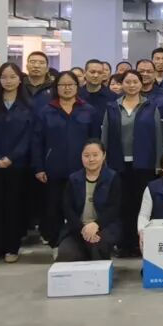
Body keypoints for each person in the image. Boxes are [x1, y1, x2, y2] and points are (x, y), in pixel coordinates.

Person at [33, 71, 102, 251]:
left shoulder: (88, 110)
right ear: (56, 87)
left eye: (70, 84)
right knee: (54, 207)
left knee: (80, 208)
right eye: (62, 85)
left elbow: (96, 140)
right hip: (53, 169)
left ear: (77, 87)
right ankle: (55, 244)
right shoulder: (46, 111)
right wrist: (39, 167)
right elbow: (37, 141)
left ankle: (81, 243)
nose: (67, 88)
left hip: (83, 169)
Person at [102, 69, 163, 257]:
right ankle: (124, 244)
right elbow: (104, 136)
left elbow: (158, 136)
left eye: (135, 82)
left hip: (144, 164)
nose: (131, 85)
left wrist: (158, 163)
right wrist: (103, 162)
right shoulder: (112, 107)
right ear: (121, 84)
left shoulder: (151, 106)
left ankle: (141, 243)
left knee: (141, 204)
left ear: (141, 84)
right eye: (127, 82)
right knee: (122, 205)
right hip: (117, 164)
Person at [0, 62, 33, 264]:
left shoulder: (28, 105)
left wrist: (12, 157)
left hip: (17, 165)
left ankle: (12, 248)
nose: (8, 81)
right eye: (4, 77)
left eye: (12, 77)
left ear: (20, 79)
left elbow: (29, 135)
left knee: (14, 206)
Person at [56, 141, 121, 262]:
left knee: (97, 245)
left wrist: (96, 225)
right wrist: (83, 229)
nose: (91, 159)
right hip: (77, 228)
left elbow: (114, 208)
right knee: (66, 253)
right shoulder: (73, 179)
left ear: (104, 155)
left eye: (95, 155)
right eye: (86, 155)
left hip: (103, 227)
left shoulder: (112, 178)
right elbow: (67, 209)